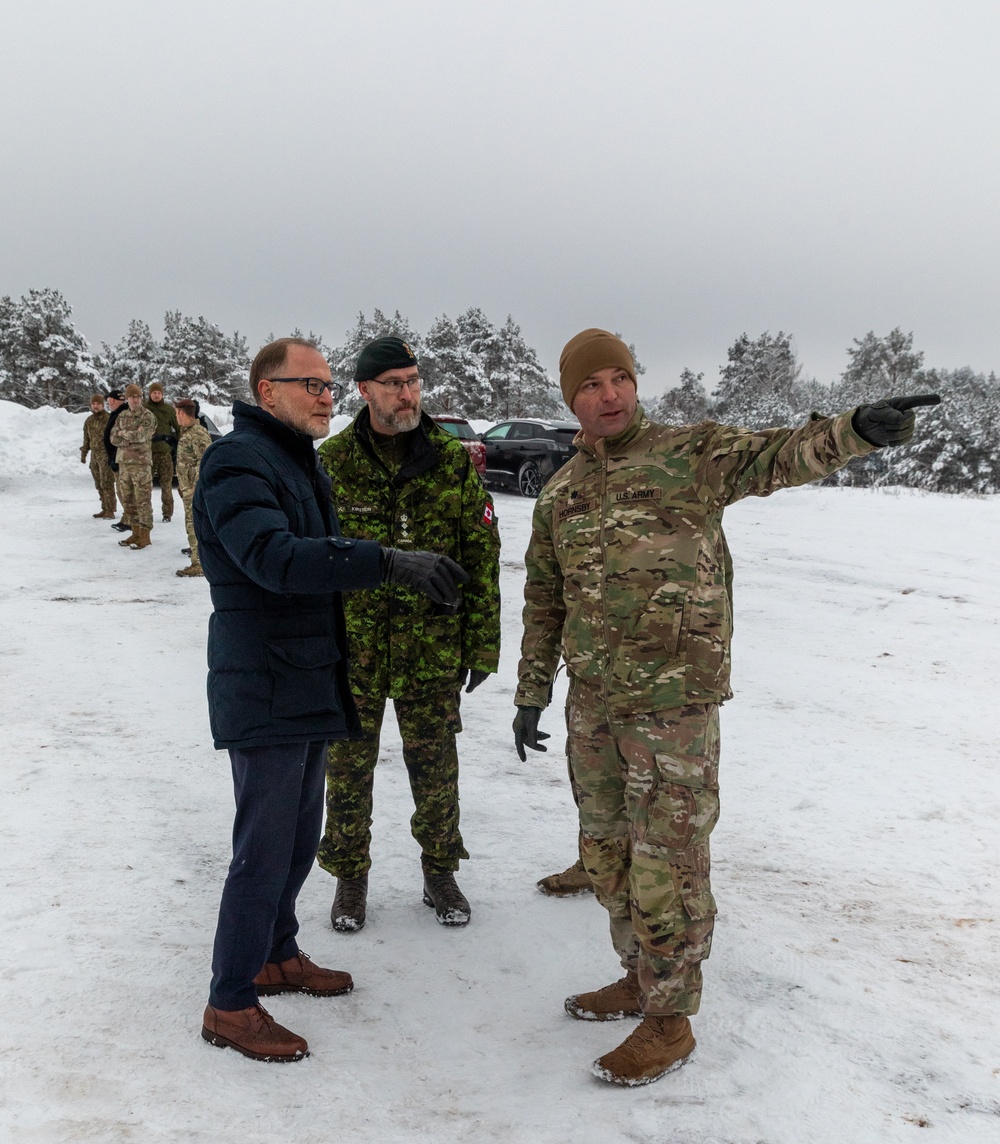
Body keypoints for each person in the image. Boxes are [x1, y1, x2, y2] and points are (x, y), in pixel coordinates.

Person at [513, 327, 939, 1088]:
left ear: (635, 384)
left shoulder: (690, 453)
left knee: (665, 862)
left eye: (619, 378)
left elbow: (779, 454)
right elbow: (545, 601)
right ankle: (640, 975)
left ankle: (670, 1020)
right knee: (607, 853)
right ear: (570, 399)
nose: (609, 395)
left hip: (674, 704)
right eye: (591, 385)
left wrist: (855, 430)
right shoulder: (562, 492)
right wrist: (531, 693)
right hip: (595, 707)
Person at [193, 336, 468, 1062]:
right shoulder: (235, 462)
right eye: (307, 384)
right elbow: (274, 560)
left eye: (327, 385)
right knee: (262, 848)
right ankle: (229, 1000)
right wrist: (386, 561)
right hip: (266, 683)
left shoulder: (294, 460)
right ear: (265, 391)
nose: (325, 396)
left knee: (296, 840)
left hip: (309, 676)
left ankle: (277, 953)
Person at [316, 337, 501, 932]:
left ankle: (440, 870)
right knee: (346, 769)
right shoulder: (333, 461)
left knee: (436, 766)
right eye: (393, 382)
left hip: (431, 648)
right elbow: (313, 558)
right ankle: (350, 876)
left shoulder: (448, 459)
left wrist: (482, 644)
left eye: (414, 380)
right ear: (365, 390)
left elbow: (481, 552)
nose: (407, 393)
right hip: (354, 651)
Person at [109, 384, 157, 549]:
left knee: (143, 500)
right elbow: (113, 437)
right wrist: (127, 435)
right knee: (128, 500)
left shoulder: (147, 416)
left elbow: (142, 436)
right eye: (132, 397)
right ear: (127, 399)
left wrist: (124, 434)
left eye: (138, 396)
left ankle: (145, 535)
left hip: (140, 464)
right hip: (124, 464)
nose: (135, 399)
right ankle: (135, 532)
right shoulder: (122, 416)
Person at [174, 398, 212, 577]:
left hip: (195, 489)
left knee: (194, 525)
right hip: (188, 488)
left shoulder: (197, 433)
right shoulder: (187, 432)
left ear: (182, 413)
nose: (176, 417)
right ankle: (199, 559)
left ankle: (199, 564)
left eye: (176, 413)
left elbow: (206, 462)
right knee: (192, 524)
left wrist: (193, 486)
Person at [80, 393, 117, 518]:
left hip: (106, 456)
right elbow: (86, 439)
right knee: (99, 484)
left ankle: (110, 509)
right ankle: (104, 507)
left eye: (98, 404)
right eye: (94, 404)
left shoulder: (108, 419)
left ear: (103, 405)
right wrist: (84, 453)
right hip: (95, 457)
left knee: (107, 483)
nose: (96, 406)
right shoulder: (89, 421)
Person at [146, 381, 179, 522]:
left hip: (165, 453)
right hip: (147, 453)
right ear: (150, 394)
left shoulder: (169, 410)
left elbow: (179, 428)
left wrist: (174, 442)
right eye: (154, 393)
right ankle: (146, 513)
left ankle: (167, 513)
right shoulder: (144, 409)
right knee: (146, 486)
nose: (157, 395)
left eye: (159, 393)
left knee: (166, 485)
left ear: (162, 394)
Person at [103, 391, 132, 532]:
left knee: (124, 492)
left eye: (109, 400)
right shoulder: (117, 413)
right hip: (116, 458)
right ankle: (127, 518)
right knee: (122, 491)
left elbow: (122, 439)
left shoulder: (123, 414)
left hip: (121, 459)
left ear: (113, 401)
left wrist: (115, 457)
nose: (108, 403)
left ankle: (131, 520)